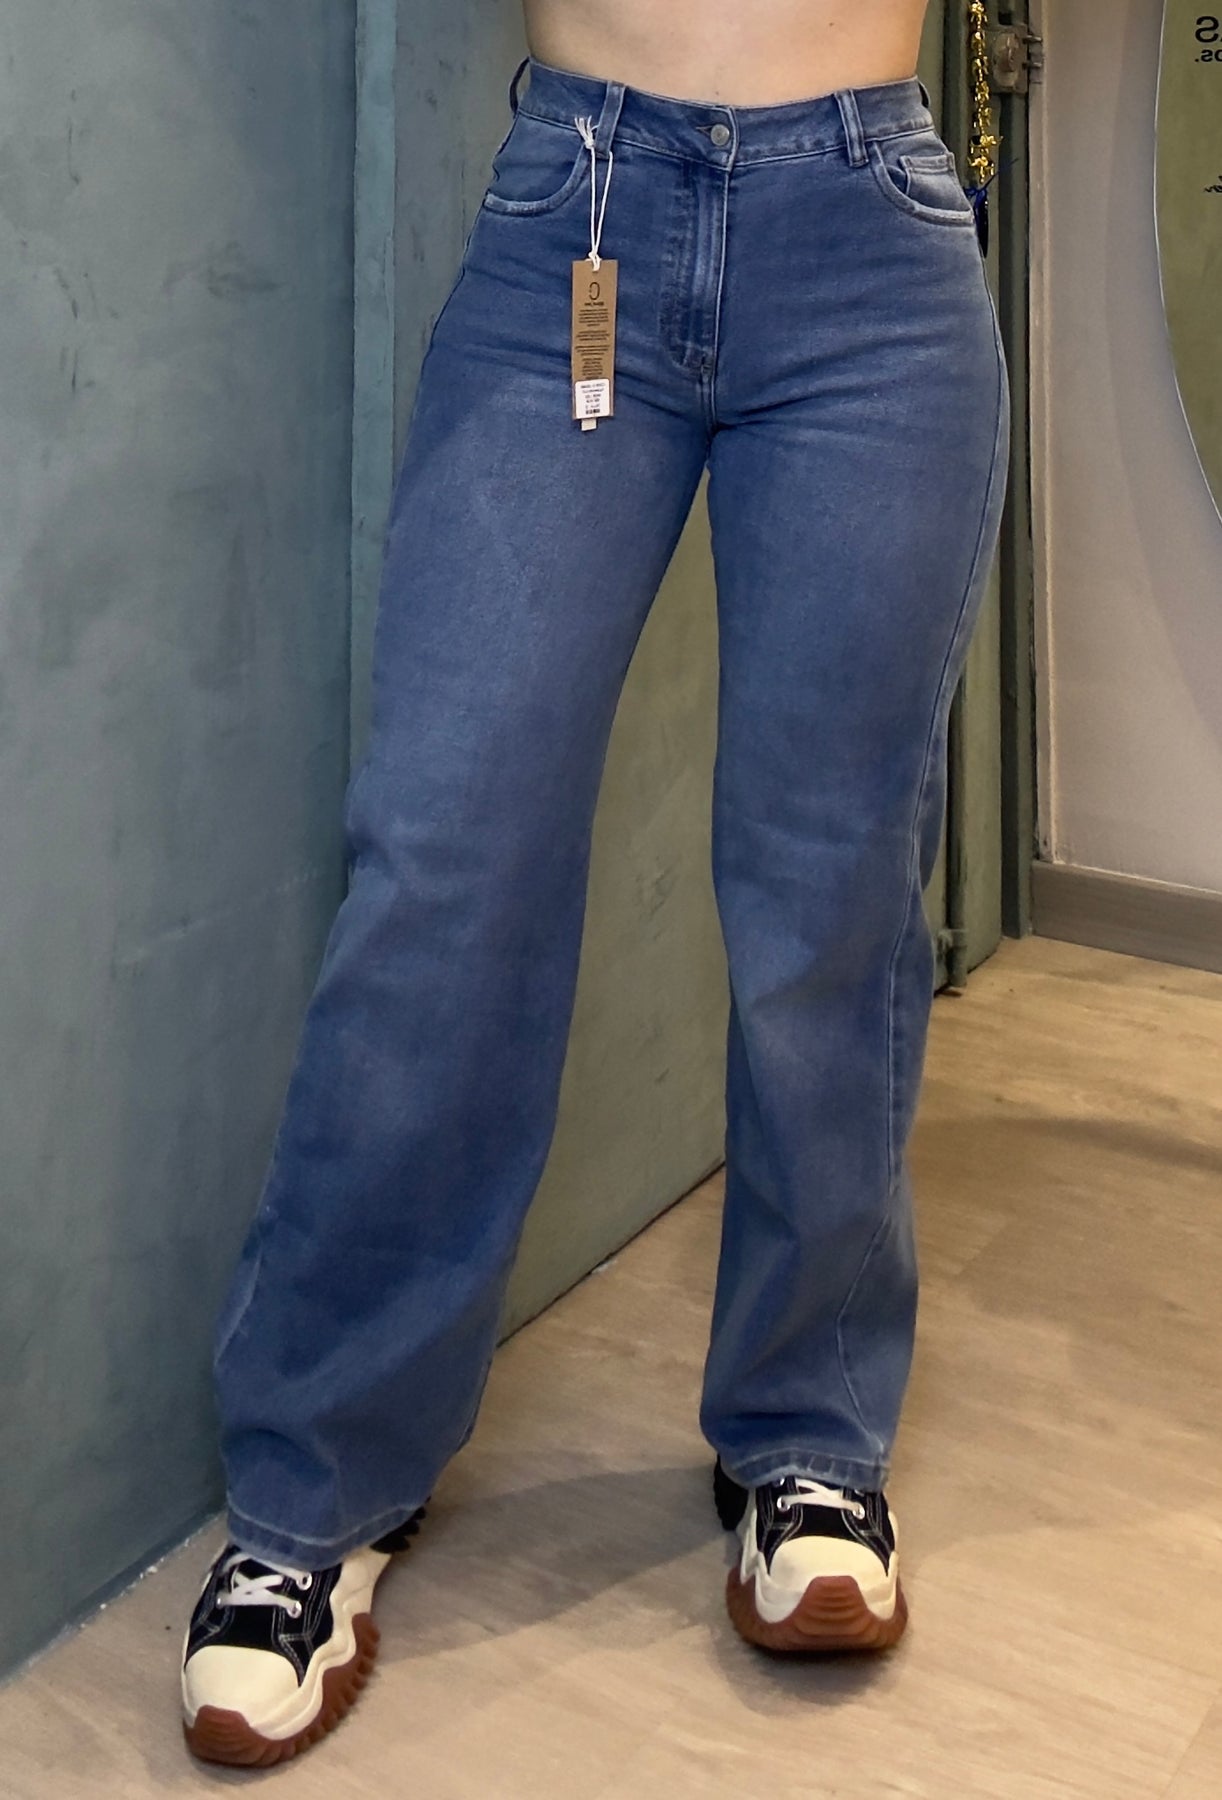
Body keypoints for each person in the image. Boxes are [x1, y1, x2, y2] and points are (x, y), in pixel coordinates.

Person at [181, 0, 1009, 1767]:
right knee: (447, 853)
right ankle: (314, 1482)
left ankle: (807, 1436)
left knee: (833, 881)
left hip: (869, 234)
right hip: (581, 197)